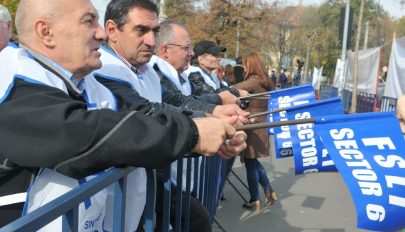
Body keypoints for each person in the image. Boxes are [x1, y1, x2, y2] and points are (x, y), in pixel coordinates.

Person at [0, 0, 245, 230]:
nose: (101, 33)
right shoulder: (11, 81)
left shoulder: (83, 82)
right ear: (46, 32)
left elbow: (136, 120)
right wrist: (191, 134)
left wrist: (208, 135)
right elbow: (82, 133)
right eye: (88, 22)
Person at [232, 52, 277, 211]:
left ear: (249, 64)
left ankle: (255, 199)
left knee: (250, 162)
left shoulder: (253, 81)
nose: (243, 67)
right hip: (262, 124)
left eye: (244, 64)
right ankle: (267, 190)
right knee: (253, 161)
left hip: (252, 124)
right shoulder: (266, 80)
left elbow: (232, 89)